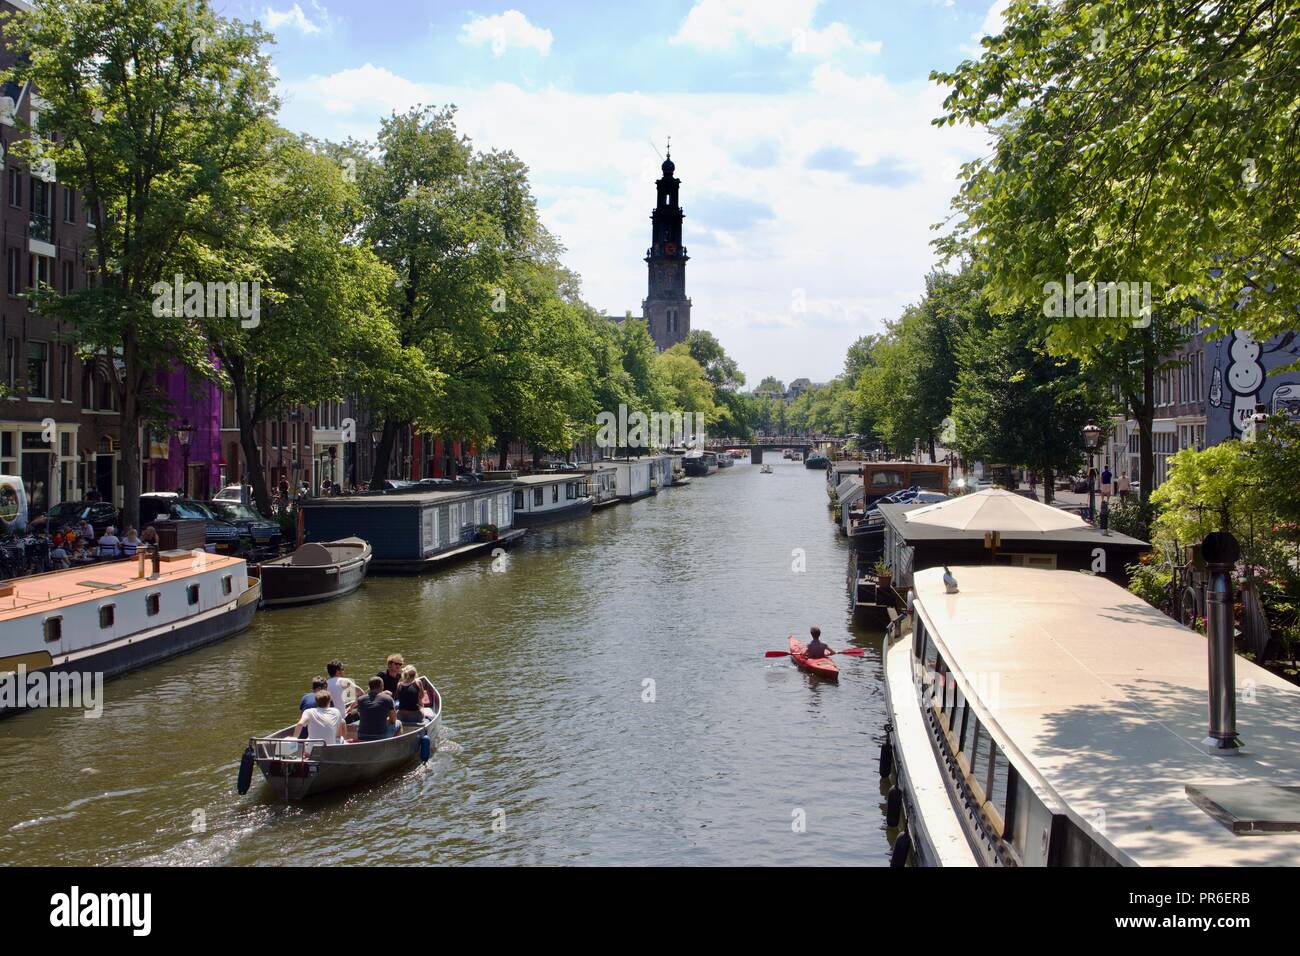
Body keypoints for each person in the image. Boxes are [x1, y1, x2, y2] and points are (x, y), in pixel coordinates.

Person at [354, 676, 398, 741]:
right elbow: (393, 720)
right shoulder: (388, 699)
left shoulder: (360, 699)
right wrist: (385, 720)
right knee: (398, 723)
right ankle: (394, 746)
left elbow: (361, 716)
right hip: (380, 736)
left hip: (362, 735)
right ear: (381, 686)